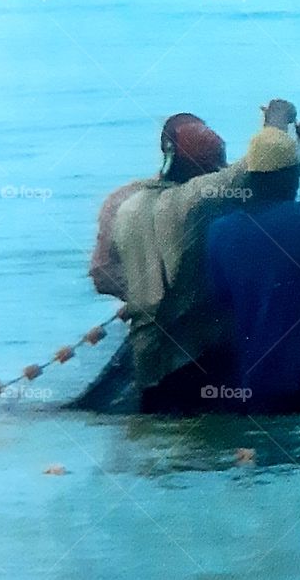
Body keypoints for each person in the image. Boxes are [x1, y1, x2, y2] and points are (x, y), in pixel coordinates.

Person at [111, 118, 255, 412]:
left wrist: (144, 295)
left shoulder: (127, 207)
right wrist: (276, 121)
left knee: (165, 444)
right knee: (213, 445)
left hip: (148, 365)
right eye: (216, 164)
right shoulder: (194, 199)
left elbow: (105, 275)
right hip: (196, 359)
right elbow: (248, 169)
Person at [206, 126, 300, 414]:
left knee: (268, 453)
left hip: (257, 383)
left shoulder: (220, 231)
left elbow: (219, 298)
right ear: (293, 176)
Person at [89, 113, 224, 299]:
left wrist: (144, 294)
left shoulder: (122, 199)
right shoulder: (221, 193)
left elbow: (102, 273)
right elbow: (103, 273)